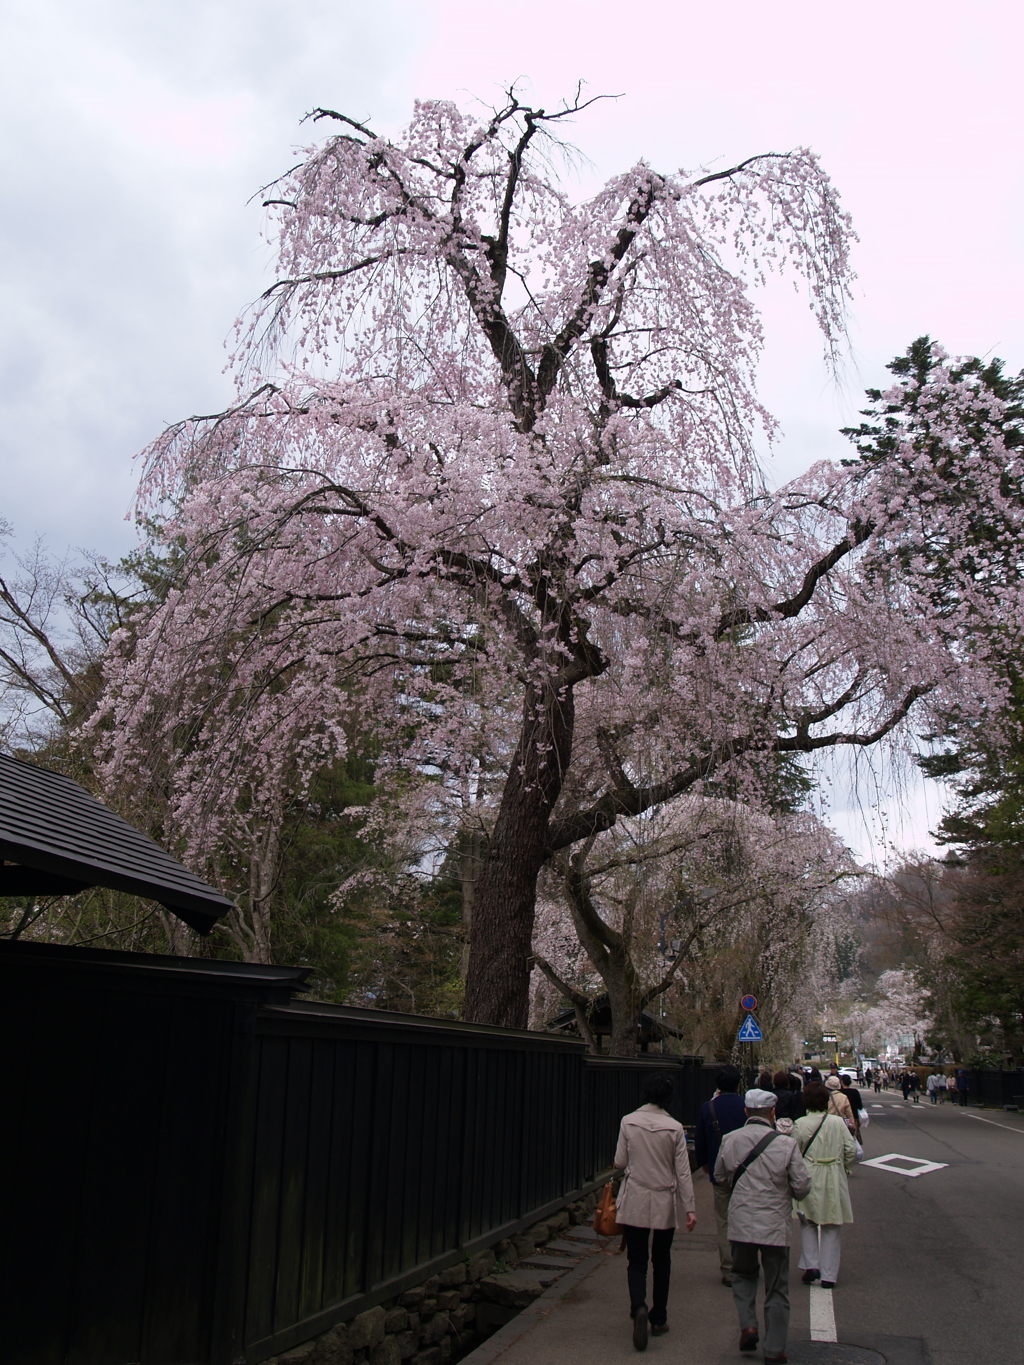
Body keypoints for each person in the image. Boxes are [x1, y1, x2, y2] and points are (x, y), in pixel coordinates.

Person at [715, 1088, 811, 1364]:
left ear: (746, 1111)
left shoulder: (730, 1139)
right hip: (774, 1223)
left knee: (742, 1274)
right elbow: (802, 1186)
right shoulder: (786, 1144)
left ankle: (748, 1325)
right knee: (777, 1285)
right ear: (773, 1113)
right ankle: (774, 1349)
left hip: (742, 1220)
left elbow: (720, 1177)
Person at [613, 1074, 697, 1350]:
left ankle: (638, 1305)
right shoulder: (674, 1128)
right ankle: (658, 1317)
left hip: (636, 1196)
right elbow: (683, 1172)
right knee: (661, 1260)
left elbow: (620, 1161)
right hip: (663, 1199)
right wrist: (690, 1208)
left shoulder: (628, 1121)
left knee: (636, 1259)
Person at [792, 1082, 856, 1289]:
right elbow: (851, 1150)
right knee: (831, 1225)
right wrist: (844, 1166)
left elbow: (793, 1152)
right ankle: (829, 1275)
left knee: (808, 1221)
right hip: (833, 1174)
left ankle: (811, 1265)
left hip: (809, 1173)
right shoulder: (838, 1123)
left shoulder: (800, 1124)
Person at [694, 1066, 747, 1286]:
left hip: (720, 1169)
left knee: (724, 1219)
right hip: (747, 1171)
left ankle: (729, 1268)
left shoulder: (708, 1108)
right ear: (738, 1084)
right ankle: (746, 1265)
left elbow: (700, 1139)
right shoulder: (747, 1106)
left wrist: (704, 1164)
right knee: (746, 1217)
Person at [839, 1075, 863, 1139]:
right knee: (852, 1136)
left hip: (841, 1117)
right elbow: (860, 1106)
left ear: (842, 1082)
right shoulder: (855, 1092)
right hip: (853, 1117)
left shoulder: (839, 1092)